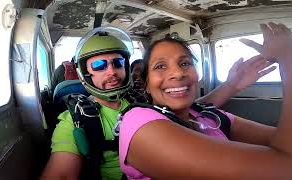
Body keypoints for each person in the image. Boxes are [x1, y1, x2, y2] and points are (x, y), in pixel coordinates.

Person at [41, 26, 274, 180]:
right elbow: (61, 175)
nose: (111, 72)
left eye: (117, 63)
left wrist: (232, 85)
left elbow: (195, 111)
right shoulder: (76, 119)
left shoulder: (142, 99)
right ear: (84, 74)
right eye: (100, 66)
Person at [118, 22, 292, 179]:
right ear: (146, 84)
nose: (178, 73)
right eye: (160, 66)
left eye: (185, 63)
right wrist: (291, 59)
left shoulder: (207, 116)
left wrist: (232, 84)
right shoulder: (139, 124)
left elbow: (289, 141)